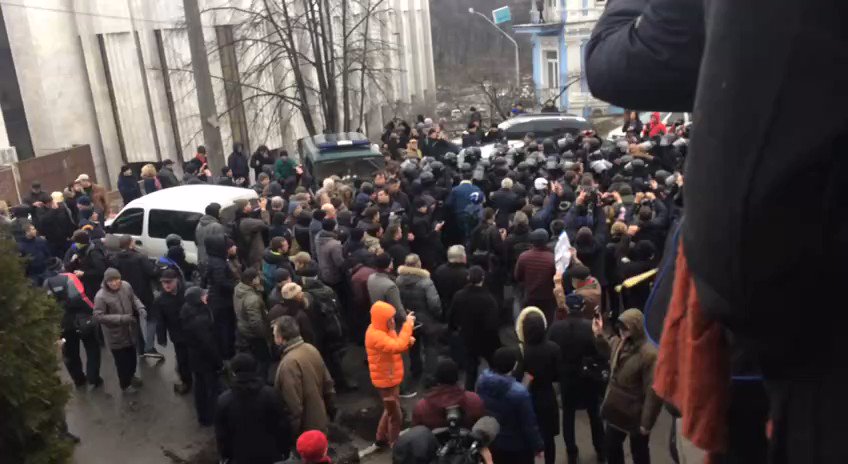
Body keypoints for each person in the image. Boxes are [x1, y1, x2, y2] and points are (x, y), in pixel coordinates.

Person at [592, 309, 661, 464]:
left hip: (636, 411)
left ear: (635, 328)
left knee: (639, 452)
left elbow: (653, 391)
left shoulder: (649, 355)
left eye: (626, 327)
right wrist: (599, 334)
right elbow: (609, 350)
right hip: (617, 407)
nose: (622, 331)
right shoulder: (620, 342)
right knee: (611, 446)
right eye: (620, 327)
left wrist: (646, 423)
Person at [548, 293, 606, 463]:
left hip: (567, 378)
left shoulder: (556, 328)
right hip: (588, 378)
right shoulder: (591, 327)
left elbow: (551, 351)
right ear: (582, 307)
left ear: (566, 308)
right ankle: (600, 448)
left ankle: (571, 450)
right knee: (594, 414)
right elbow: (601, 354)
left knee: (568, 415)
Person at [215, 352, 292, 464]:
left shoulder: (224, 401)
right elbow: (282, 426)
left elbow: (222, 435)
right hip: (270, 454)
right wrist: (284, 450)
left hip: (239, 457)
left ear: (233, 372)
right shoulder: (270, 394)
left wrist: (225, 455)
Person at [475, 346, 544, 464]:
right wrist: (538, 446)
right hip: (517, 446)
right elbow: (528, 424)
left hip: (492, 440)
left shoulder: (482, 382)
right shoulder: (519, 393)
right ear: (514, 365)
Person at [273, 316, 336, 436]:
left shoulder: (288, 364)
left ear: (281, 338)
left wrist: (291, 435)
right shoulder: (311, 349)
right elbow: (328, 385)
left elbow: (293, 407)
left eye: (274, 335)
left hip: (306, 432)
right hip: (321, 422)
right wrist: (331, 411)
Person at [365, 301, 415, 448]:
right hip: (386, 379)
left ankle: (381, 438)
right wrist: (408, 325)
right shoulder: (376, 335)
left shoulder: (382, 330)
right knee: (396, 415)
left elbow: (395, 346)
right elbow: (396, 346)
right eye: (390, 319)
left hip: (390, 377)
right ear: (382, 320)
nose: (393, 321)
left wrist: (407, 342)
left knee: (390, 410)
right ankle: (394, 443)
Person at [514, 307, 561, 464]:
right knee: (549, 440)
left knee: (529, 438)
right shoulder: (553, 348)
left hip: (529, 398)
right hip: (548, 396)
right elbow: (558, 374)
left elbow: (517, 377)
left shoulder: (522, 351)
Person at [45, 272, 102, 388]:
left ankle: (79, 379)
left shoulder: (47, 284)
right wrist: (93, 310)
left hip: (63, 324)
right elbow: (80, 298)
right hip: (82, 321)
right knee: (92, 348)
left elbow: (46, 307)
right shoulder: (69, 279)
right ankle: (93, 377)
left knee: (70, 353)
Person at [94, 268, 145, 393]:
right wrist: (122, 319)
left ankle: (131, 376)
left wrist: (140, 307)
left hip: (130, 331)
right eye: (111, 281)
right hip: (115, 335)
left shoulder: (126, 286)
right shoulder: (101, 296)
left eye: (116, 279)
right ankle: (125, 385)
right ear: (106, 282)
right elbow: (98, 316)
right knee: (122, 363)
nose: (114, 283)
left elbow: (134, 298)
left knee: (132, 358)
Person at [449, 266, 500, 391]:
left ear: (468, 278)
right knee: (495, 367)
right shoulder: (489, 299)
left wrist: (455, 329)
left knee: (471, 371)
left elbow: (452, 316)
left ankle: (470, 395)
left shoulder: (459, 296)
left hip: (467, 337)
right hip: (486, 339)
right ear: (483, 278)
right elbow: (493, 323)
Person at [396, 253, 442, 384]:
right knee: (430, 347)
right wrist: (437, 314)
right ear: (419, 264)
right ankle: (430, 377)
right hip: (426, 318)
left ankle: (416, 370)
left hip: (408, 318)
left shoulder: (398, 280)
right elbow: (434, 303)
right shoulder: (426, 282)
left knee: (413, 346)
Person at [113, 234, 161, 357]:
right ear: (130, 243)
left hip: (126, 294)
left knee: (134, 321)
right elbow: (152, 272)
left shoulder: (115, 259)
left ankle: (140, 348)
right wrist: (158, 267)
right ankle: (149, 347)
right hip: (143, 293)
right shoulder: (139, 257)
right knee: (151, 317)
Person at [181, 286, 222, 426]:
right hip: (205, 359)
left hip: (194, 357)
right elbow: (208, 344)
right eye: (203, 295)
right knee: (210, 388)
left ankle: (203, 416)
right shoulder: (200, 320)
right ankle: (212, 416)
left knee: (200, 387)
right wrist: (218, 362)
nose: (206, 296)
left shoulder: (187, 310)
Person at [411, 358, 485, 430]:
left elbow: (417, 431)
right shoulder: (475, 400)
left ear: (436, 379)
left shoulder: (421, 407)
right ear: (457, 378)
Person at [155, 269, 191, 394]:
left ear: (177, 280)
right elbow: (160, 321)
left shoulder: (187, 292)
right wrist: (161, 337)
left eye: (169, 282)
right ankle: (186, 381)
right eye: (164, 282)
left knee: (195, 356)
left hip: (192, 332)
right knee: (182, 359)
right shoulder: (160, 300)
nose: (166, 285)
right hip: (177, 335)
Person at [233, 268, 272, 378]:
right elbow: (256, 323)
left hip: (242, 327)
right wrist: (265, 335)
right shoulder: (252, 299)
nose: (260, 279)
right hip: (254, 334)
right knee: (263, 360)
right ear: (252, 280)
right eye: (258, 277)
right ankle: (261, 381)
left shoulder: (238, 288)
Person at [514, 229, 557, 324]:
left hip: (530, 296)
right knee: (547, 322)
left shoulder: (523, 257)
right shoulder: (552, 258)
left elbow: (517, 277)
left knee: (530, 322)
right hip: (547, 298)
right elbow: (556, 280)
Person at [205, 234, 237, 359]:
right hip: (222, 302)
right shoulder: (218, 263)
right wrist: (235, 286)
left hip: (218, 300)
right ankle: (227, 354)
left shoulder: (214, 259)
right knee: (225, 328)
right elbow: (221, 282)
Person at [63, 230, 108, 302]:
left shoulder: (94, 252)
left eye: (76, 242)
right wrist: (73, 261)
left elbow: (101, 271)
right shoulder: (78, 251)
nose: (75, 244)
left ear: (81, 243)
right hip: (86, 284)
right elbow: (68, 266)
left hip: (96, 286)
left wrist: (84, 274)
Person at [367, 253, 406, 323]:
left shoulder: (370, 278)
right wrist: (407, 319)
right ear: (389, 265)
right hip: (390, 322)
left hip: (377, 317)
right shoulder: (390, 286)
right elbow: (398, 311)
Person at [432, 245, 469, 312]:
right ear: (463, 257)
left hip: (442, 309)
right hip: (460, 311)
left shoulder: (439, 271)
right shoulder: (466, 274)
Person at [195, 203, 227, 275]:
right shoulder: (217, 226)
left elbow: (197, 241)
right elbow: (221, 245)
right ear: (215, 212)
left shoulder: (199, 224)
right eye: (219, 211)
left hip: (200, 257)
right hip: (213, 260)